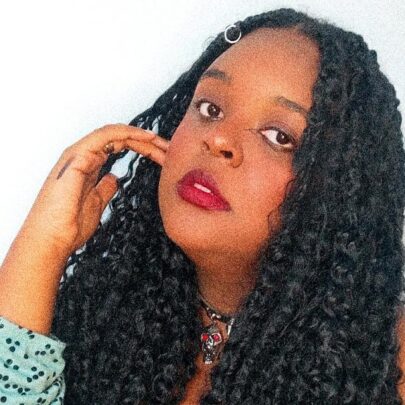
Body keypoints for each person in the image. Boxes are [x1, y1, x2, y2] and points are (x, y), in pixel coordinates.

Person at [0, 7, 404, 404]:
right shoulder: (105, 313)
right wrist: (43, 244)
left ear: (341, 191)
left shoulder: (383, 362)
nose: (218, 139)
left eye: (278, 136)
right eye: (210, 109)